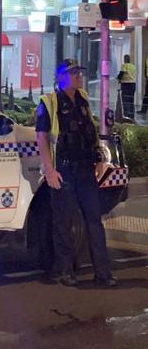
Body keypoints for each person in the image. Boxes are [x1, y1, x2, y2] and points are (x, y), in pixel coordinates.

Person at [35, 59, 117, 287]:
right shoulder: (49, 102)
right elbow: (41, 137)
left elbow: (90, 133)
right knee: (64, 222)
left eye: (80, 72)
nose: (79, 76)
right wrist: (49, 170)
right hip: (63, 169)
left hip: (85, 170)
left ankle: (103, 272)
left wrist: (100, 157)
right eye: (74, 73)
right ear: (61, 77)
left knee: (94, 221)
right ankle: (64, 271)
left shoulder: (83, 101)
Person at [117, 54, 137, 119]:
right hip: (133, 84)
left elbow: (121, 74)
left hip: (126, 85)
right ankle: (132, 115)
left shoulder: (124, 66)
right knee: (131, 100)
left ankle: (126, 116)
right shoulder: (133, 66)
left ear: (125, 59)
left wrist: (118, 78)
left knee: (125, 100)